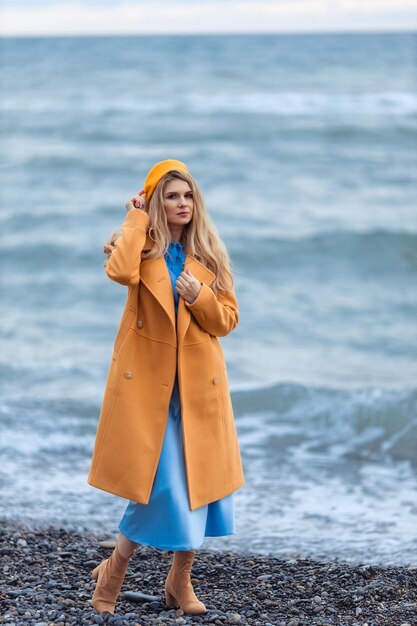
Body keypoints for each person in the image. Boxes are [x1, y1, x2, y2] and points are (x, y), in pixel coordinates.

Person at [87, 159, 245, 616]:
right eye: (171, 196)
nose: (182, 203)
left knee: (198, 487)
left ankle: (179, 580)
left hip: (198, 389)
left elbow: (228, 321)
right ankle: (113, 573)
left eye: (188, 195)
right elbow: (119, 273)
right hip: (149, 388)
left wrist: (200, 296)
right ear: (157, 202)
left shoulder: (210, 254)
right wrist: (135, 216)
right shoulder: (137, 247)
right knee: (160, 486)